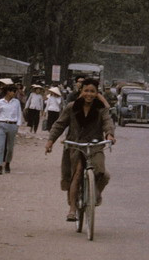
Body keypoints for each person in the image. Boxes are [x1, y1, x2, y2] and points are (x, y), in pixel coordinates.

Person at [45, 78, 116, 221]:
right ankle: (72, 209)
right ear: (81, 91)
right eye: (86, 91)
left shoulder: (101, 108)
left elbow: (107, 122)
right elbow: (59, 124)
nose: (89, 94)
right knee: (76, 174)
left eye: (92, 91)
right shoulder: (72, 107)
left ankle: (95, 194)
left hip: (94, 146)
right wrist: (50, 141)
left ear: (97, 93)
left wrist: (109, 135)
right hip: (75, 145)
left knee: (102, 173)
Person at [0, 85, 22, 174]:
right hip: (2, 124)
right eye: (13, 91)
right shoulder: (0, 102)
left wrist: (17, 126)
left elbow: (19, 114)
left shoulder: (16, 102)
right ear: (7, 92)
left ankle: (7, 163)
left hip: (12, 125)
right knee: (0, 146)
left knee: (10, 147)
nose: (14, 93)